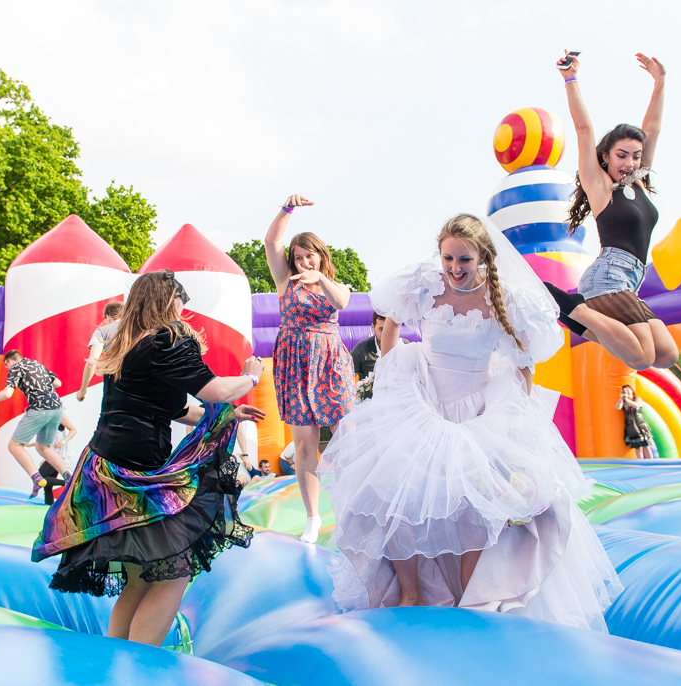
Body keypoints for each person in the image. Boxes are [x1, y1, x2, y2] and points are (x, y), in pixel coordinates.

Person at [322, 214, 621, 632]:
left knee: (471, 507)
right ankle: (410, 592)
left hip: (476, 408)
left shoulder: (508, 301)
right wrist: (390, 376)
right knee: (396, 495)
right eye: (448, 258)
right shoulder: (424, 285)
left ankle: (470, 597)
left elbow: (524, 363)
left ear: (483, 257)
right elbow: (390, 322)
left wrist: (520, 423)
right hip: (420, 399)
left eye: (464, 259)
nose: (455, 268)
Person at [31, 270, 266, 646]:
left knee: (143, 575)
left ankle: (119, 660)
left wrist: (230, 414)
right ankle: (142, 665)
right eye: (180, 302)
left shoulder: (129, 343)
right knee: (174, 571)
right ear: (168, 301)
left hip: (105, 466)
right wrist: (251, 377)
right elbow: (218, 388)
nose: (182, 310)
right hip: (131, 474)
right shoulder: (166, 340)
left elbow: (174, 407)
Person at [542, 50, 678, 372]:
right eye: (621, 156)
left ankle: (572, 313)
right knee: (641, 357)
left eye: (635, 156)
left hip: (631, 279)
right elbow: (584, 129)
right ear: (605, 156)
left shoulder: (639, 181)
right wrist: (570, 79)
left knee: (666, 355)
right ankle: (570, 304)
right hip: (608, 276)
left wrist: (660, 81)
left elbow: (653, 129)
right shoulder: (600, 187)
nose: (629, 163)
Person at [265, 194, 355, 544]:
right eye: (298, 257)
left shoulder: (334, 285)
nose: (302, 261)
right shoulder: (284, 282)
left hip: (329, 362)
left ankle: (352, 505)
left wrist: (319, 277)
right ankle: (313, 517)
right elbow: (272, 241)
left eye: (309, 255)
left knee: (347, 436)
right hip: (294, 362)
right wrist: (287, 209)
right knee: (304, 443)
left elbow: (341, 302)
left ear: (320, 255)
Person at [0, 350, 71, 498]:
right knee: (43, 447)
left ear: (10, 361)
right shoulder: (37, 364)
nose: (8, 369)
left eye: (6, 365)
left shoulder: (16, 367)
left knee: (14, 446)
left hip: (40, 409)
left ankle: (37, 478)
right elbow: (57, 383)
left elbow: (7, 393)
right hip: (57, 409)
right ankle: (68, 477)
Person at [351, 313, 408, 400]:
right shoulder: (361, 349)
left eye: (389, 329)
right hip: (370, 401)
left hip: (398, 398)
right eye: (381, 329)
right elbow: (349, 377)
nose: (386, 333)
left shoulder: (405, 346)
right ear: (373, 327)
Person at [77, 301, 124, 402]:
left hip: (115, 382)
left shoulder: (102, 331)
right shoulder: (136, 328)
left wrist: (83, 390)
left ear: (107, 316)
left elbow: (92, 362)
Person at [30, 413, 78, 505]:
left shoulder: (60, 415)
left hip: (59, 455)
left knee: (41, 477)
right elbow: (45, 441)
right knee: (48, 486)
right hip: (51, 454)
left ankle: (68, 481)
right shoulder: (45, 417)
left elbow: (73, 430)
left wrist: (63, 441)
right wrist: (29, 444)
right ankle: (48, 507)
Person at [616, 385, 654, 459]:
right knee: (637, 447)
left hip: (640, 425)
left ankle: (650, 461)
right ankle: (640, 462)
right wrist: (621, 399)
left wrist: (627, 400)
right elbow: (617, 408)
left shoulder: (637, 399)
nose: (626, 393)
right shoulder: (623, 403)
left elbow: (637, 405)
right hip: (631, 428)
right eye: (624, 392)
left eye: (628, 392)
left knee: (646, 445)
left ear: (632, 392)